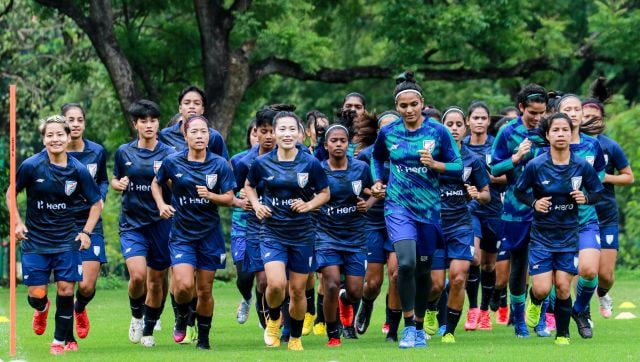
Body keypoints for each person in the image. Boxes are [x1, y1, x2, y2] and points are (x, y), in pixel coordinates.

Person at [372, 72, 462, 349]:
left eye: (413, 104)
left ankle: (420, 326)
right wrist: (378, 181)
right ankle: (408, 326)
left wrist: (437, 166)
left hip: (430, 211)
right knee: (406, 264)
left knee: (424, 271)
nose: (409, 110)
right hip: (398, 207)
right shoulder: (389, 132)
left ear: (422, 103)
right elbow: (377, 157)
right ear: (397, 107)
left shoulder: (438, 132)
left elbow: (458, 166)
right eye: (403, 106)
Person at [7, 115, 102, 355]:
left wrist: (86, 232)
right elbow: (11, 193)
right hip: (35, 240)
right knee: (36, 293)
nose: (55, 139)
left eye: (60, 134)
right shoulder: (31, 165)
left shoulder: (78, 170)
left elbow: (96, 203)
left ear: (68, 137)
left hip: (66, 239)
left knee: (66, 290)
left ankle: (59, 342)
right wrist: (17, 223)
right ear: (44, 139)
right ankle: (41, 308)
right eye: (50, 135)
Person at [515, 112, 604, 345]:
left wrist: (585, 198)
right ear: (547, 135)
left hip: (568, 234)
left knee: (564, 287)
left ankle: (562, 335)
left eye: (565, 129)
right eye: (556, 130)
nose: (561, 134)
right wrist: (535, 203)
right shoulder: (536, 165)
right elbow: (519, 191)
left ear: (570, 132)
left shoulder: (581, 165)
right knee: (543, 288)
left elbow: (597, 191)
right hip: (542, 236)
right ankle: (534, 302)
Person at [245, 111, 330, 351]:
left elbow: (325, 193)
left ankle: (294, 336)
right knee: (275, 284)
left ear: (300, 134)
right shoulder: (262, 163)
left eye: (292, 129)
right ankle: (273, 318)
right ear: (274, 132)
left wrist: (308, 205)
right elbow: (249, 186)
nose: (287, 134)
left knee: (297, 290)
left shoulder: (310, 163)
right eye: (281, 129)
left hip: (302, 234)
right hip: (272, 233)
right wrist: (257, 205)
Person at [152, 115, 235, 350]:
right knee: (184, 284)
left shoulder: (219, 164)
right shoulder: (173, 161)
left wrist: (211, 196)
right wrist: (161, 205)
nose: (200, 136)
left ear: (209, 137)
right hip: (181, 236)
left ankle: (204, 339)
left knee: (205, 290)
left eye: (204, 132)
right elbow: (156, 183)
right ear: (185, 136)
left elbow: (229, 197)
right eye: (195, 132)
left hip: (210, 235)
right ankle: (182, 316)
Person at [112, 100, 175, 347]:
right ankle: (136, 315)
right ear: (135, 124)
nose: (149, 125)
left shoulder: (170, 154)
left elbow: (177, 184)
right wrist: (118, 184)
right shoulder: (124, 152)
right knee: (138, 276)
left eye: (153, 120)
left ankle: (149, 329)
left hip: (161, 223)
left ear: (158, 123)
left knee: (157, 281)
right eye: (143, 121)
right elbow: (116, 179)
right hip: (132, 223)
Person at [424, 107, 490, 343]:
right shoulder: (430, 158)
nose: (453, 129)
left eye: (458, 124)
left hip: (461, 225)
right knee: (435, 284)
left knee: (459, 277)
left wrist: (475, 196)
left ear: (466, 128)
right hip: (434, 225)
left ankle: (449, 331)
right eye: (448, 124)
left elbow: (486, 194)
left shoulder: (473, 160)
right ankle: (431, 308)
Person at [543, 94, 605, 339]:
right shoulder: (548, 146)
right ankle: (551, 317)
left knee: (590, 271)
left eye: (577, 109)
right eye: (567, 109)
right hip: (556, 223)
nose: (572, 113)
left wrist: (587, 190)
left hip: (586, 218)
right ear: (558, 112)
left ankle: (579, 310)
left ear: (581, 114)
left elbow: (599, 174)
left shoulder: (592, 145)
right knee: (557, 283)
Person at [491, 84, 548, 338]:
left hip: (548, 209)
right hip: (515, 210)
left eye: (541, 113)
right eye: (532, 113)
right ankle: (519, 320)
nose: (537, 118)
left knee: (549, 265)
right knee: (519, 265)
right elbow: (493, 169)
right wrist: (515, 158)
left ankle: (542, 318)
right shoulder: (507, 132)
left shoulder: (550, 131)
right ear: (521, 108)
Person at [315, 125, 373, 347]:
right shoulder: (317, 170)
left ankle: (346, 302)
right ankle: (333, 333)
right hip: (326, 236)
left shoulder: (361, 168)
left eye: (342, 140)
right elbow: (309, 196)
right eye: (334, 140)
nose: (338, 144)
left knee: (356, 290)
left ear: (349, 145)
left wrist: (367, 203)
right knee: (330, 284)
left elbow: (375, 190)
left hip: (355, 236)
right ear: (326, 145)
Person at [581, 93, 634, 318]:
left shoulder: (610, 147)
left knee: (605, 275)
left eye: (595, 117)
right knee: (584, 270)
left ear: (602, 120)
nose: (590, 120)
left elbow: (628, 177)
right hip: (581, 215)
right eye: (586, 116)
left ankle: (603, 294)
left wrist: (603, 178)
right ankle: (583, 313)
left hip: (605, 214)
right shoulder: (572, 146)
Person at [62, 103, 109, 346]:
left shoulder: (97, 151)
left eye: (80, 119)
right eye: (71, 119)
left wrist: (98, 197)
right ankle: (68, 338)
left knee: (87, 286)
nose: (76, 124)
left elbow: (103, 181)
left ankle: (81, 308)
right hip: (63, 224)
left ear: (84, 123)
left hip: (91, 222)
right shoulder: (54, 151)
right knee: (67, 284)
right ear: (63, 123)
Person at [355, 111, 402, 342]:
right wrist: (371, 191)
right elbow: (357, 186)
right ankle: (366, 303)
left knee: (396, 274)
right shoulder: (365, 156)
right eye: (385, 127)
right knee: (373, 282)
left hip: (399, 221)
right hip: (372, 221)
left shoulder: (407, 155)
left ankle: (391, 328)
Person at [462, 102, 508, 331]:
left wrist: (490, 179)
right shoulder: (461, 148)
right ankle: (471, 310)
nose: (479, 122)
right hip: (471, 209)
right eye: (475, 118)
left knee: (490, 266)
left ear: (489, 121)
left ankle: (483, 312)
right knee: (475, 259)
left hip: (493, 208)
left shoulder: (496, 147)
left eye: (483, 118)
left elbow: (509, 176)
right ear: (468, 121)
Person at [231, 120, 258, 324]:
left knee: (267, 276)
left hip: (268, 225)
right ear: (249, 135)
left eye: (266, 132)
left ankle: (266, 309)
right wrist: (240, 197)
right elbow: (228, 192)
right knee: (244, 277)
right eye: (255, 132)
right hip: (242, 224)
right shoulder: (238, 160)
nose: (260, 137)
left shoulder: (278, 161)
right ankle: (247, 298)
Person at [159, 85, 229, 159]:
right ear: (180, 108)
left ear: (202, 109)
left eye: (197, 103)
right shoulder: (165, 135)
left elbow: (226, 167)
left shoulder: (214, 137)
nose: (192, 106)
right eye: (187, 103)